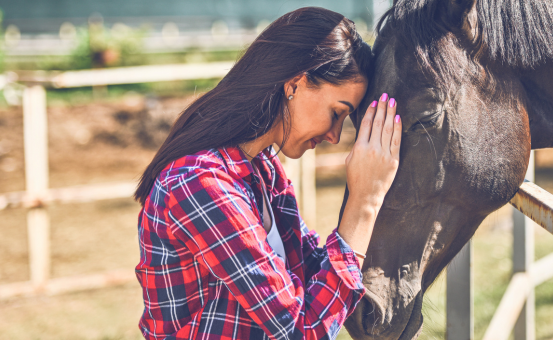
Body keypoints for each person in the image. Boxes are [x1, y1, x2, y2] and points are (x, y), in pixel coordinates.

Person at [133, 7, 401, 340]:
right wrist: (364, 202)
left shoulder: (263, 172)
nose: (334, 135)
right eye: (336, 113)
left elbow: (309, 272)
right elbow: (302, 331)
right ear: (296, 83)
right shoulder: (200, 183)